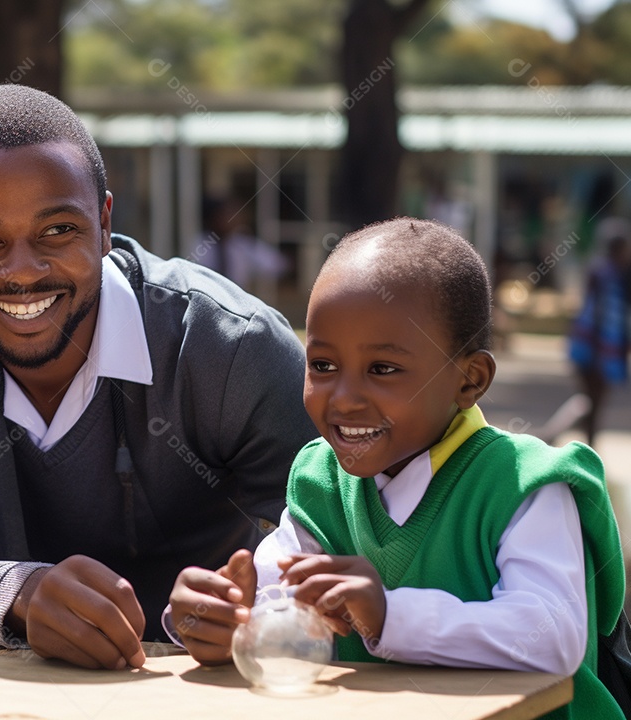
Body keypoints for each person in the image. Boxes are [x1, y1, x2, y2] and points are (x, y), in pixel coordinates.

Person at [0, 84, 316, 670]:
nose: (23, 272)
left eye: (58, 230)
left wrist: (251, 608)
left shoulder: (232, 348)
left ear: (105, 222)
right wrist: (16, 592)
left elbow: (326, 531)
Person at [168, 218, 626, 718]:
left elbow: (553, 638)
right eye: (322, 365)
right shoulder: (319, 482)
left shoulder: (523, 483)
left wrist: (390, 615)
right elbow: (274, 605)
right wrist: (220, 621)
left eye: (382, 370)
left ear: (470, 381)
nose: (343, 399)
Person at [566, 230, 631, 446]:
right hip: (597, 348)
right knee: (593, 401)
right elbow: (600, 315)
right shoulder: (610, 275)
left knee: (591, 401)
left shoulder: (604, 271)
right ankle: (585, 446)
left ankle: (577, 440)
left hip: (593, 346)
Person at [193, 196, 288, 296]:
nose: (234, 219)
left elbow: (277, 263)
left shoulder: (242, 243)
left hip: (234, 300)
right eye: (226, 215)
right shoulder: (199, 242)